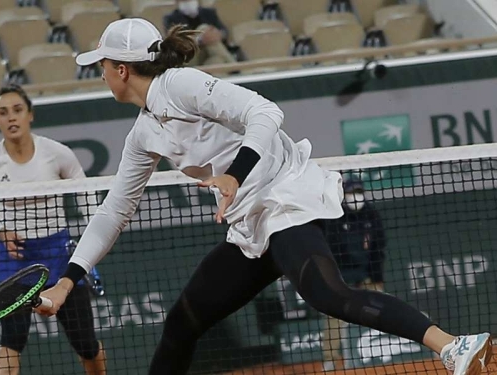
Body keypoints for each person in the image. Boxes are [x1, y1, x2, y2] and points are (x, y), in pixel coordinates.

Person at [36, 18, 493, 375]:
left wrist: (234, 176)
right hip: (251, 226)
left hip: (284, 197)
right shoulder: (143, 134)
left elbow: (264, 111)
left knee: (329, 296)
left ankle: (453, 345)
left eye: (101, 66)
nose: (99, 74)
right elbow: (115, 210)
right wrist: (68, 279)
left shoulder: (180, 84)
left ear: (121, 69)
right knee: (182, 322)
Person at [0, 85, 107, 375]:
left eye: (17, 110)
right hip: (14, 263)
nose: (11, 118)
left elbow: (87, 199)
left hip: (58, 255)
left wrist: (91, 244)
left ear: (30, 115)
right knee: (11, 339)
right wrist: (1, 231)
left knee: (85, 343)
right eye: (3, 112)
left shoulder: (57, 154)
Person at [321, 176, 387, 371]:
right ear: (344, 195)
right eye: (350, 193)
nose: (355, 197)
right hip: (342, 277)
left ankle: (384, 351)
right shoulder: (335, 215)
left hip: (368, 275)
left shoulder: (372, 215)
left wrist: (376, 277)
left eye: (358, 192)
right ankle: (330, 358)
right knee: (335, 318)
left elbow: (378, 248)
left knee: (384, 310)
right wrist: (341, 278)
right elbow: (331, 249)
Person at [163, 0, 236, 66]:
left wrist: (218, 35)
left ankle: (230, 69)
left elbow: (224, 31)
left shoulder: (208, 13)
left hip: (211, 53)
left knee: (216, 61)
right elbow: (175, 42)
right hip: (191, 56)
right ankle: (235, 66)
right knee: (203, 28)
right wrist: (200, 39)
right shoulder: (171, 18)